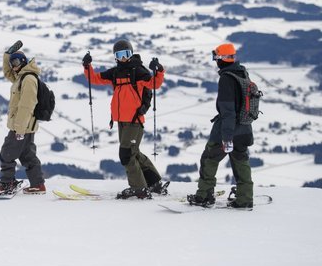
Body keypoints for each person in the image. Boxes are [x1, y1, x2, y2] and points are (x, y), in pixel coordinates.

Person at [82, 39, 167, 199]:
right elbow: (94, 78)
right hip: (121, 121)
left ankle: (139, 189)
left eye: (126, 54)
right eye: (119, 55)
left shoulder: (138, 71)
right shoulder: (115, 73)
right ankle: (154, 183)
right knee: (133, 153)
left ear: (131, 53)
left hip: (134, 120)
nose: (123, 58)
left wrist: (159, 70)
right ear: (115, 57)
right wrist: (87, 66)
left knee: (126, 155)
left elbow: (154, 84)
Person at [187, 43, 254, 209]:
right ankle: (245, 198)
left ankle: (204, 196)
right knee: (241, 161)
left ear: (222, 58)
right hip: (245, 128)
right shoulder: (242, 73)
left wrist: (226, 137)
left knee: (209, 159)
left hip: (227, 130)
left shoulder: (226, 79)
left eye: (216, 57)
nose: (215, 61)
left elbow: (228, 112)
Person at [0, 42, 46, 195]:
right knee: (27, 156)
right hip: (26, 126)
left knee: (6, 154)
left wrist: (19, 129)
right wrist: (7, 55)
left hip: (21, 126)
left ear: (23, 61)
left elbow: (26, 106)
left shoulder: (28, 79)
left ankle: (7, 183)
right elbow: (7, 73)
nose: (13, 66)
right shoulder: (21, 77)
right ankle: (38, 185)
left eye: (16, 62)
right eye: (12, 63)